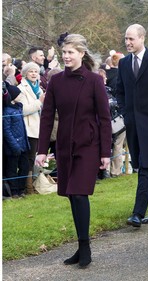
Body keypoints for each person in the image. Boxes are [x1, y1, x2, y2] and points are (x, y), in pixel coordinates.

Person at [35, 34, 112, 268]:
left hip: (89, 145)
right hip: (65, 145)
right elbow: (47, 117)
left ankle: (85, 246)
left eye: (71, 52)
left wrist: (106, 152)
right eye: (64, 52)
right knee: (71, 195)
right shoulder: (56, 81)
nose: (66, 56)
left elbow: (105, 118)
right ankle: (81, 245)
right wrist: (41, 150)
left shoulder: (94, 80)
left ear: (81, 54)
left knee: (79, 193)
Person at [116, 24, 148, 227]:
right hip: (133, 123)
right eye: (126, 39)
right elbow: (119, 90)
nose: (128, 42)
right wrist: (125, 111)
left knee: (146, 166)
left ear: (142, 38)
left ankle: (137, 213)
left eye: (131, 39)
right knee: (146, 165)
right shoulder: (123, 63)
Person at [17, 62, 45, 195]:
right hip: (28, 129)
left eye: (36, 72)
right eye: (31, 71)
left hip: (39, 128)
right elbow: (23, 110)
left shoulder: (39, 89)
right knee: (28, 159)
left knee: (34, 158)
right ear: (25, 74)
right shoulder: (21, 89)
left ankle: (33, 184)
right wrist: (39, 102)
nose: (34, 74)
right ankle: (26, 188)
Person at [3, 81, 30, 198]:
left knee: (24, 167)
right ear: (13, 97)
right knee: (12, 169)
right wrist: (15, 146)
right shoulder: (7, 112)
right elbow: (6, 131)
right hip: (14, 146)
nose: (21, 96)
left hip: (23, 144)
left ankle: (21, 189)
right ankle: (14, 191)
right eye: (19, 95)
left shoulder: (19, 109)